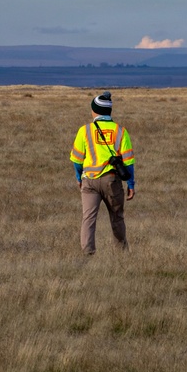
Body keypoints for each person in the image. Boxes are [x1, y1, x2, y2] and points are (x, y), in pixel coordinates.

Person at [69, 91, 135, 254]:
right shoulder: (121, 131)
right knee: (117, 218)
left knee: (88, 218)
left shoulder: (84, 130)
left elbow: (77, 160)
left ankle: (88, 254)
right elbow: (128, 162)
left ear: (95, 110)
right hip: (112, 181)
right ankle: (121, 254)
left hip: (89, 181)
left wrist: (79, 178)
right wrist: (131, 184)